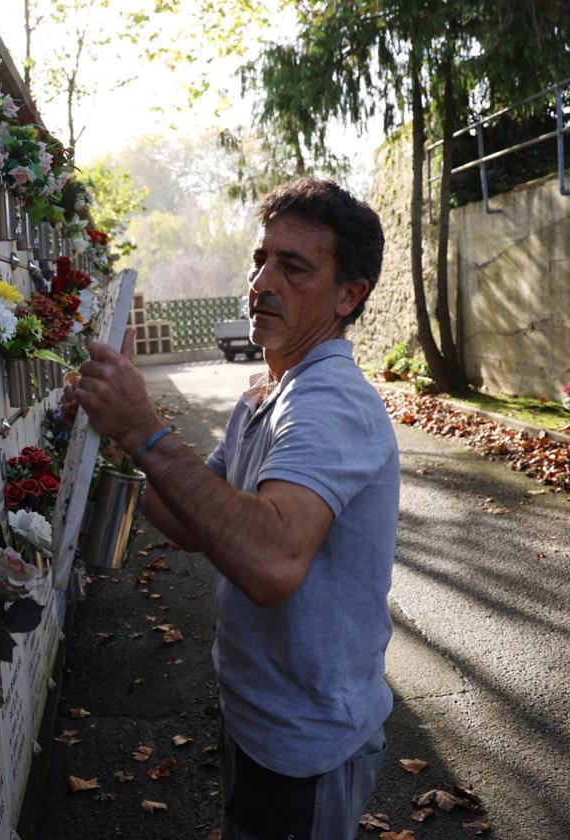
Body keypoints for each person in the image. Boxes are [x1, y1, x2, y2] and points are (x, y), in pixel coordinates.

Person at [62, 177, 399, 839]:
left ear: (348, 295)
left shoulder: (328, 402)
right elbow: (195, 521)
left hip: (305, 747)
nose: (263, 282)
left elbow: (271, 562)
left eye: (293, 267)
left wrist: (142, 430)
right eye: (260, 259)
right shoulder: (267, 392)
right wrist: (106, 447)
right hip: (262, 722)